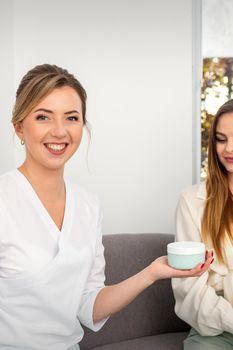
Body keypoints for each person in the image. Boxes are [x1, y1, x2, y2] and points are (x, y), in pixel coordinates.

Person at [0, 64, 213, 350]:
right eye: (43, 117)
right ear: (19, 127)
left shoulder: (88, 205)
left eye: (72, 118)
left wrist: (151, 273)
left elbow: (89, 307)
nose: (60, 131)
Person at [172, 99, 233, 349]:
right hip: (216, 330)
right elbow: (189, 288)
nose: (229, 148)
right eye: (221, 139)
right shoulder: (192, 201)